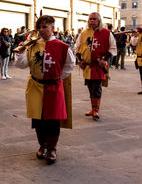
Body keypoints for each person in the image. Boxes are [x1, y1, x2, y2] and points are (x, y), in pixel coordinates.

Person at [15, 15, 75, 164]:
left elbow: (70, 65)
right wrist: (21, 51)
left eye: (45, 27)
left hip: (53, 87)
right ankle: (42, 146)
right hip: (35, 86)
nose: (41, 30)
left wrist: (56, 77)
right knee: (38, 118)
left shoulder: (63, 46)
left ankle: (52, 148)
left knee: (52, 120)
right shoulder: (32, 45)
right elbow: (22, 65)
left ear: (52, 28)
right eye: (39, 27)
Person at [75, 12, 117, 120]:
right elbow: (77, 47)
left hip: (98, 66)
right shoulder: (84, 33)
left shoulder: (107, 33)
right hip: (87, 66)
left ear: (99, 21)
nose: (92, 21)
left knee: (96, 88)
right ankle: (93, 108)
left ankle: (96, 110)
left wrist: (104, 59)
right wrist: (80, 60)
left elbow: (112, 48)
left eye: (94, 19)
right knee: (90, 87)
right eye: (90, 19)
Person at [134, 28, 142, 94]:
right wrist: (135, 36)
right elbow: (134, 44)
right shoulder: (138, 37)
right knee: (141, 74)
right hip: (139, 57)